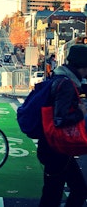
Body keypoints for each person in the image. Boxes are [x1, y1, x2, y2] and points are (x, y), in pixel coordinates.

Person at [37, 44, 87, 207]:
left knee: (56, 192)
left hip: (54, 147)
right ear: (82, 66)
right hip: (56, 148)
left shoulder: (60, 77)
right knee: (61, 193)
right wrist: (81, 112)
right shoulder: (66, 84)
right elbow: (60, 119)